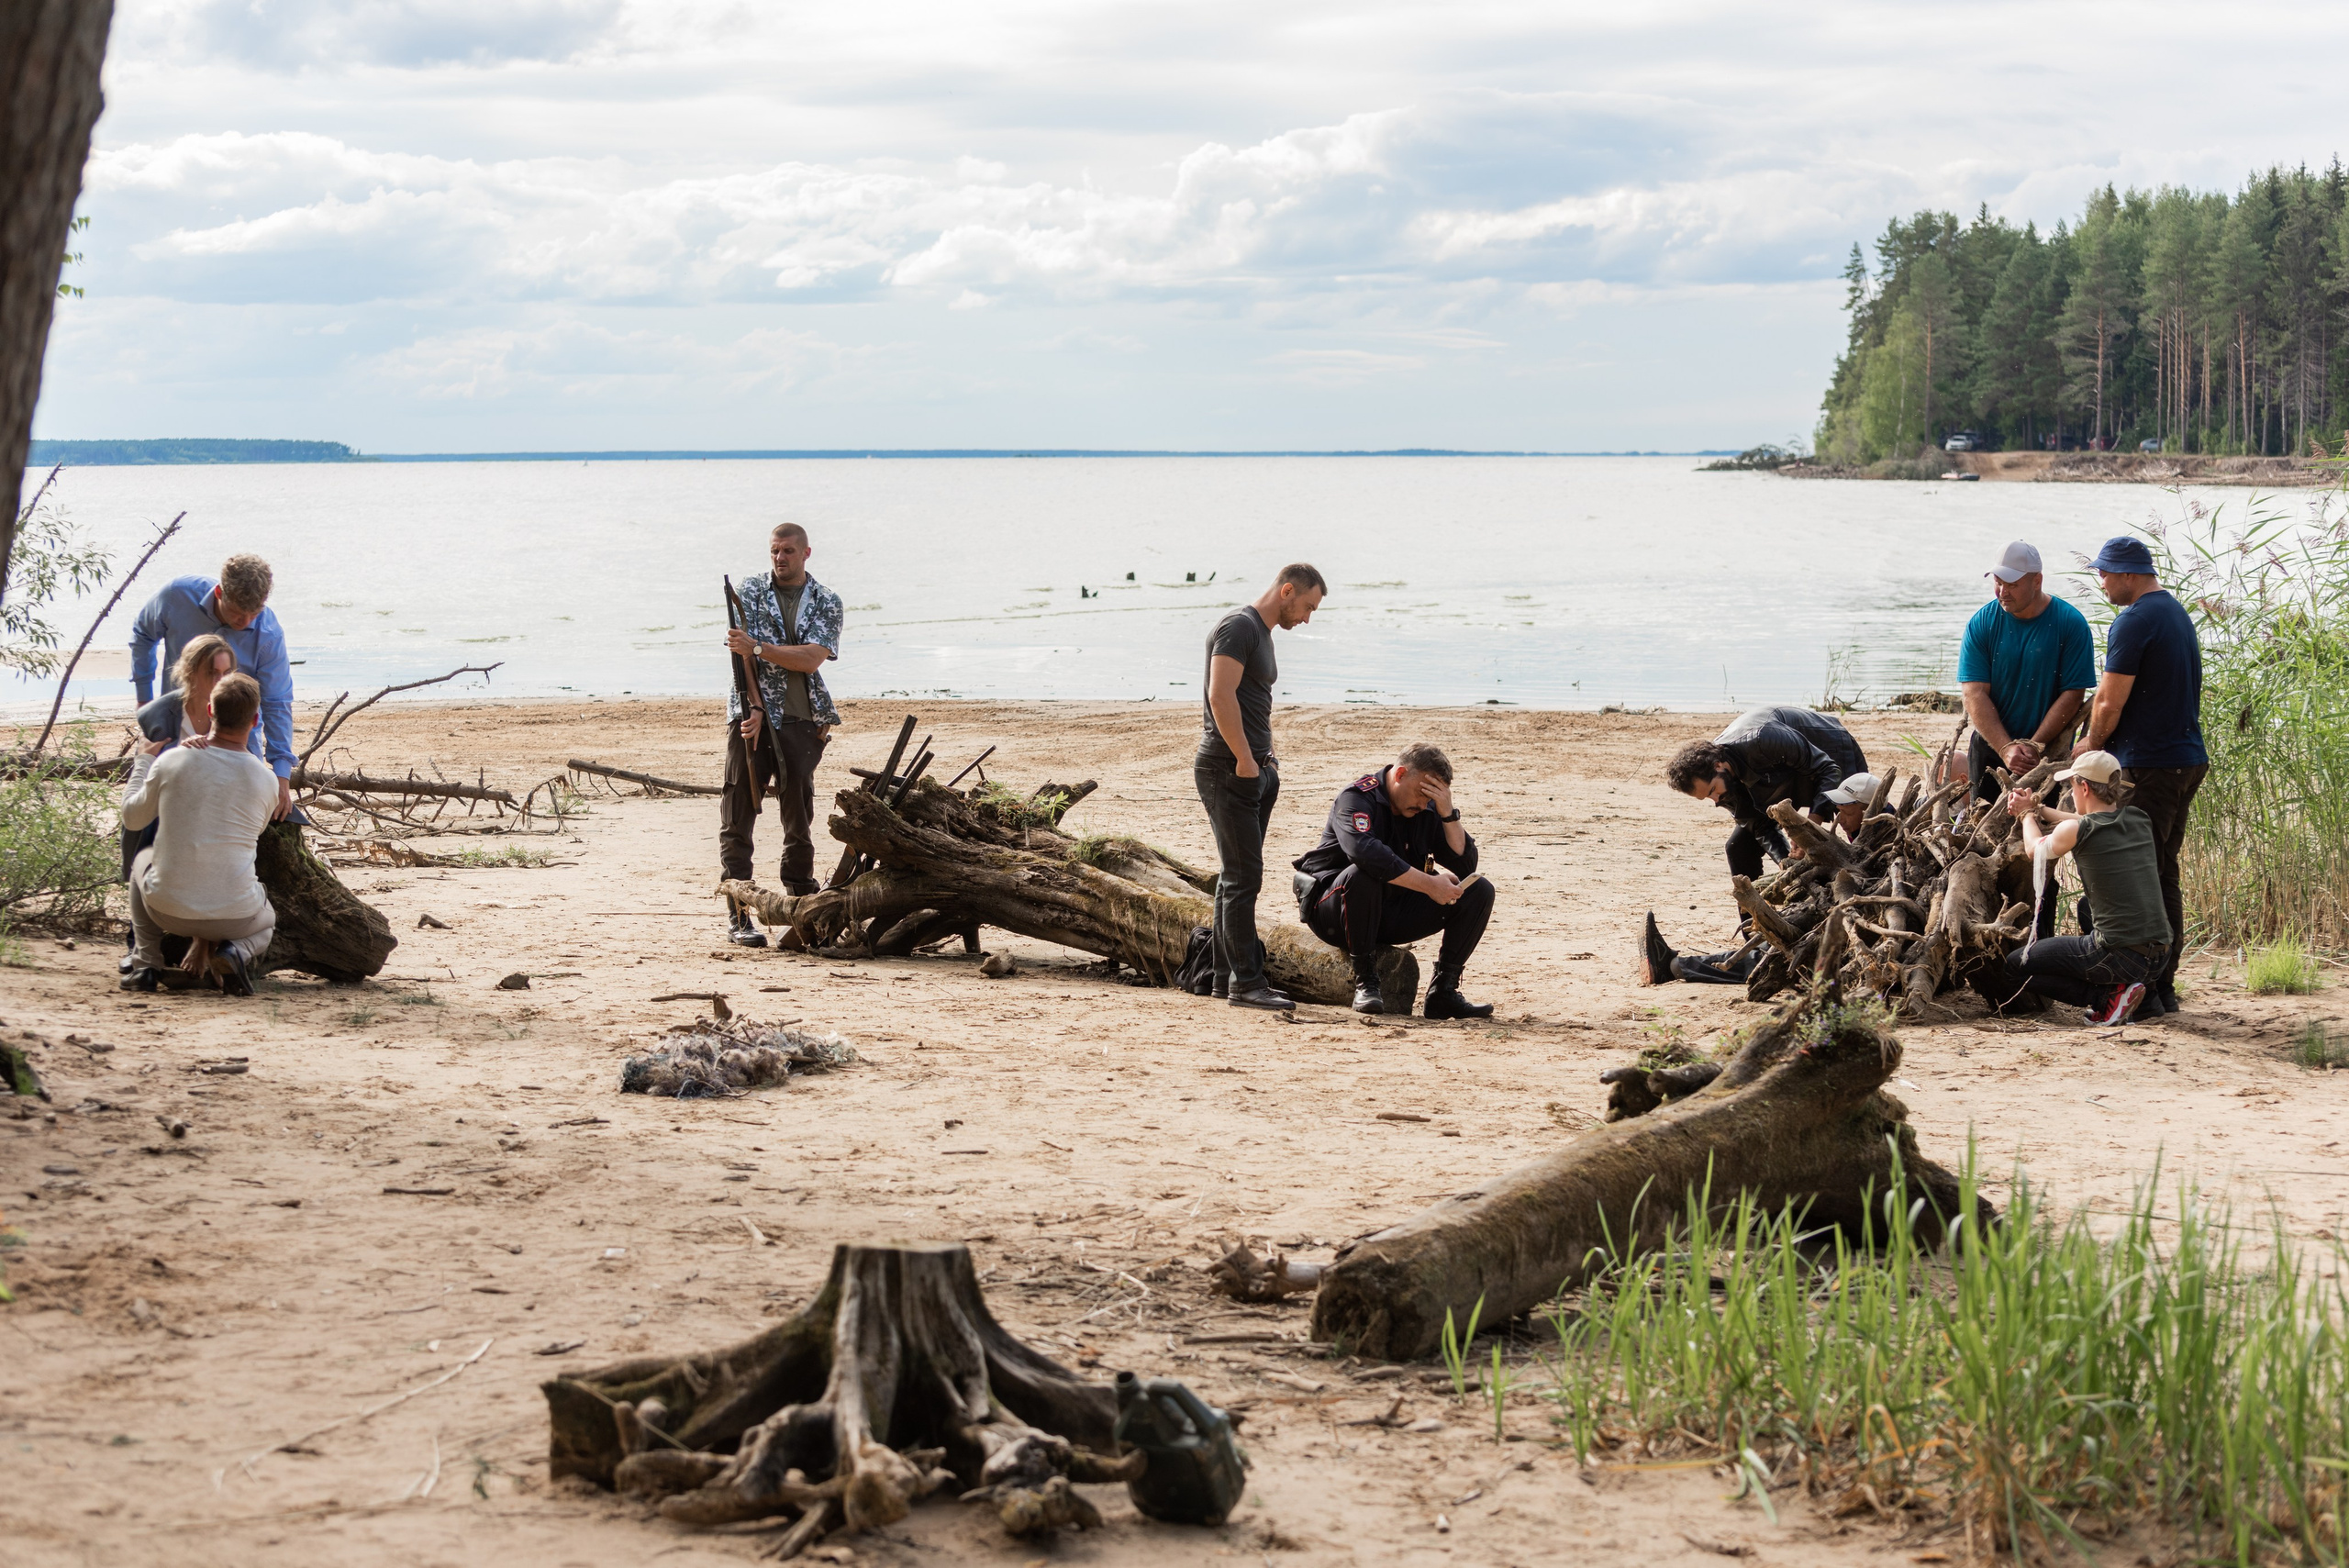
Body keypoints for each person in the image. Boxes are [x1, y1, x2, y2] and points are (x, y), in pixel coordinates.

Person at [2079, 535, 2205, 1017]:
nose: (2102, 582)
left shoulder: (2134, 620)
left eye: (2105, 573)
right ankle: (2162, 987)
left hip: (2150, 763)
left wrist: (2090, 746)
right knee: (2161, 872)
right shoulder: (2175, 612)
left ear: (2129, 573)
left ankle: (2144, 990)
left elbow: (2110, 700)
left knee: (2135, 875)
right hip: (2185, 759)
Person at [1195, 563, 1326, 1010]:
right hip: (1228, 768)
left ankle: (1221, 976)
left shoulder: (1261, 633)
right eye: (1307, 606)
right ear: (1286, 590)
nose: (1307, 618)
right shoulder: (1239, 626)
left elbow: (1251, 701)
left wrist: (1265, 760)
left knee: (1234, 877)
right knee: (1244, 877)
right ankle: (1246, 986)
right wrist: (1247, 760)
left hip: (1253, 769)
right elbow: (1220, 694)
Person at [1293, 743, 1497, 1018]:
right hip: (1335, 912)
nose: (1424, 804)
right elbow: (1367, 855)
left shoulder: (1426, 807)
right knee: (1363, 874)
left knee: (1478, 890)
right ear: (1400, 775)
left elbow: (1465, 864)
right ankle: (1365, 981)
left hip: (1389, 912)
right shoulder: (1356, 798)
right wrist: (1429, 883)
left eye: (1431, 798)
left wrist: (1448, 813)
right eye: (1421, 794)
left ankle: (1443, 992)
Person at [1637, 772, 1886, 987]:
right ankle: (1672, 965)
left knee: (1769, 957)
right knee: (1770, 950)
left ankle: (1672, 967)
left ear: (1868, 811)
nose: (1840, 820)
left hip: (1843, 940)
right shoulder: (1859, 835)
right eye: (1839, 811)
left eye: (1847, 812)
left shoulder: (1881, 844)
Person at [1973, 751, 2169, 1024]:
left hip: (2120, 957)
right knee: (2087, 908)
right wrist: (2037, 808)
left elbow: (2034, 850)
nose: (2071, 792)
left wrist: (2027, 815)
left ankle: (2105, 999)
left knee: (2015, 966)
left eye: (2072, 786)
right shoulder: (2139, 819)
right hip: (2159, 957)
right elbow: (2085, 822)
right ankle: (2144, 1000)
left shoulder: (2079, 830)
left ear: (2084, 787)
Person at [720, 522, 845, 946]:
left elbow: (811, 659)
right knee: (739, 806)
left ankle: (801, 901)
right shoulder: (750, 591)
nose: (779, 558)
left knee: (799, 811)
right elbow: (741, 657)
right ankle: (738, 912)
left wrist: (761, 647)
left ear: (806, 553)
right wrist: (754, 706)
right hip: (751, 717)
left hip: (801, 718)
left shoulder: (826, 601)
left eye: (788, 551)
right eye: (774, 550)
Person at [118, 673, 280, 996]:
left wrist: (144, 761)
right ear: (255, 719)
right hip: (235, 917)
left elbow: (132, 819)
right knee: (268, 921)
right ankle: (236, 952)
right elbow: (251, 832)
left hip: (167, 911)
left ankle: (146, 963)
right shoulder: (267, 779)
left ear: (209, 711)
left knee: (143, 858)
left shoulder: (173, 760)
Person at [129, 554, 295, 823]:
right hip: (173, 727)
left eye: (254, 613)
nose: (245, 621)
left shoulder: (268, 634)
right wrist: (144, 701)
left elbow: (277, 703)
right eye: (237, 611)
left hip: (237, 737)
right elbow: (143, 635)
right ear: (220, 592)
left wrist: (281, 774)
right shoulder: (176, 596)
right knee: (159, 814)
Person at [117, 635, 239, 974]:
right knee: (148, 829)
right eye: (212, 673)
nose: (220, 682)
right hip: (166, 810)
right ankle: (139, 946)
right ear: (189, 673)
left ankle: (209, 941)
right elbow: (154, 777)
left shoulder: (231, 709)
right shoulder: (161, 714)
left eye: (226, 673)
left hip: (215, 812)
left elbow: (245, 764)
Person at [1957, 541, 2097, 804]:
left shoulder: (2070, 624)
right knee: (1981, 829)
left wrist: (2035, 745)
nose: (2002, 592)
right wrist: (2005, 748)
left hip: (2048, 751)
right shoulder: (1982, 623)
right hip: (1991, 747)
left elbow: (2073, 693)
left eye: (2012, 585)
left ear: (2037, 581)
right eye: (1998, 583)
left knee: (2044, 831)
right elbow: (1974, 693)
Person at [1664, 706, 1869, 878]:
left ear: (1719, 765)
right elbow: (1759, 826)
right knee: (1738, 848)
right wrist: (1788, 861)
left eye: (1712, 791)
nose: (1716, 800)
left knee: (1854, 825)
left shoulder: (1761, 739)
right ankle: (1753, 922)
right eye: (1707, 797)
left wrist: (1809, 827)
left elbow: (1827, 769)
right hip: (1784, 778)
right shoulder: (1722, 786)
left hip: (1831, 751)